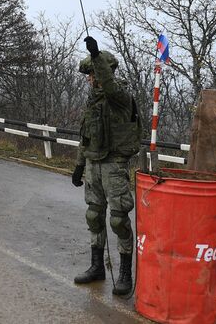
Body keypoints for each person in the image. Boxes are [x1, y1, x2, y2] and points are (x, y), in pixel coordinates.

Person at [72, 36, 141, 296]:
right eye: (89, 74)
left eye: (93, 73)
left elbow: (110, 87)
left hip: (114, 164)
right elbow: (86, 135)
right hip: (94, 163)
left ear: (104, 72)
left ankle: (125, 273)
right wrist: (79, 164)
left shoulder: (119, 97)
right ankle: (96, 266)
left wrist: (96, 55)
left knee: (119, 219)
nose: (90, 78)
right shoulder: (93, 102)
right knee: (94, 216)